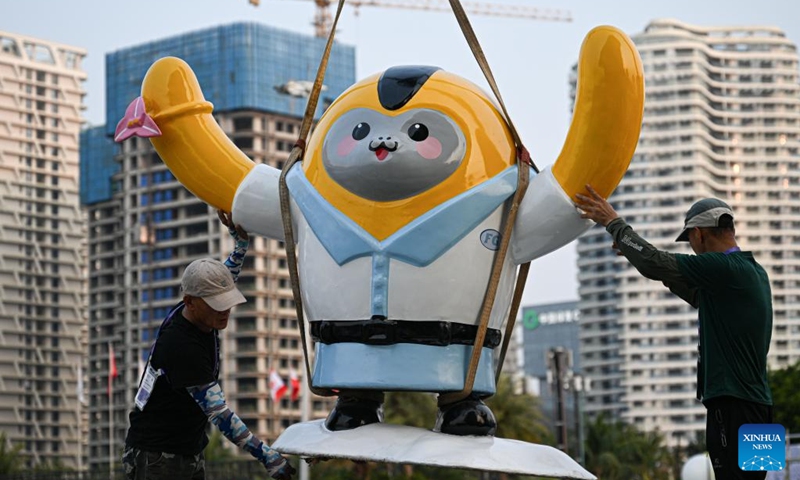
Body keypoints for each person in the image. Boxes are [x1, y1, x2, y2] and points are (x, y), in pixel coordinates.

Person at [576, 186, 773, 480]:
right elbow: (691, 291)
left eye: (690, 239)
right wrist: (639, 255)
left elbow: (655, 262)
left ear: (699, 234)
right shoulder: (751, 272)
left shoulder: (724, 267)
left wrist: (613, 223)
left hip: (731, 405)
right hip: (760, 406)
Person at [122, 211, 295, 480]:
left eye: (228, 301)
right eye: (217, 305)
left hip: (188, 447)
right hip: (157, 455)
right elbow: (220, 414)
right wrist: (266, 455)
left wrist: (240, 245)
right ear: (190, 301)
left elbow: (226, 276)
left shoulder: (199, 309)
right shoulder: (181, 346)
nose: (225, 310)